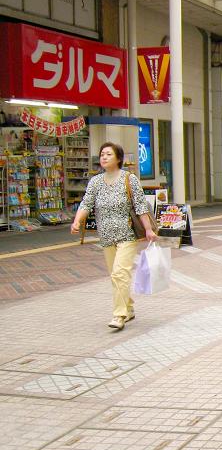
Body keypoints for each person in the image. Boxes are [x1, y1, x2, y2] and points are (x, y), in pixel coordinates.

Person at [70, 142, 157, 331]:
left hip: (126, 234)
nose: (104, 157)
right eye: (102, 154)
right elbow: (86, 204)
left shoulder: (129, 179)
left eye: (108, 154)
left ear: (118, 158)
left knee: (120, 273)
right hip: (106, 236)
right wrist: (77, 221)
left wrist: (148, 229)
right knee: (115, 275)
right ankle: (129, 307)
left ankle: (119, 315)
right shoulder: (96, 182)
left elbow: (141, 206)